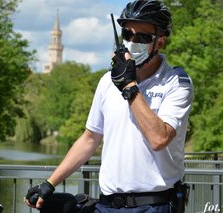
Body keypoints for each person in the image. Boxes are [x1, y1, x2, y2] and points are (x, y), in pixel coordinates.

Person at [24, 0, 193, 212]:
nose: (132, 41)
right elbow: (89, 139)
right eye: (127, 34)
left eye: (143, 37)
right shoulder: (107, 80)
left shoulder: (176, 81)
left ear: (159, 43)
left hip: (153, 204)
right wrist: (50, 183)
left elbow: (159, 139)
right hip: (107, 205)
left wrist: (129, 87)